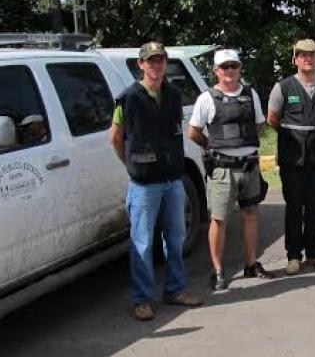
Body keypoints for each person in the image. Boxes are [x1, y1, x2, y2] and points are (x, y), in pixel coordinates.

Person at [109, 41, 202, 320]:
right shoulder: (128, 98)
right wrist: (130, 164)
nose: (156, 65)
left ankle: (175, 290)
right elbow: (115, 136)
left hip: (173, 179)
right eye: (151, 60)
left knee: (176, 238)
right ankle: (142, 300)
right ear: (141, 65)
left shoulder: (173, 94)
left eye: (160, 60)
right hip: (143, 184)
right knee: (142, 243)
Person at [187, 49, 274, 294]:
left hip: (250, 165)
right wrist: (213, 147)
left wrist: (244, 145)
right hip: (222, 169)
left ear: (239, 68)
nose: (230, 71)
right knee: (219, 220)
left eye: (234, 66)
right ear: (216, 71)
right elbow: (193, 132)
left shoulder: (250, 94)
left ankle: (251, 265)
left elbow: (259, 125)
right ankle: (217, 271)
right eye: (224, 67)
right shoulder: (206, 98)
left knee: (251, 214)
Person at [266, 39, 315, 275]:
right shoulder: (283, 87)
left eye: (312, 55)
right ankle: (293, 256)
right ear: (295, 59)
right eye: (303, 55)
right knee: (294, 206)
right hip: (292, 158)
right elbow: (272, 118)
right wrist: (294, 136)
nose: (308, 59)